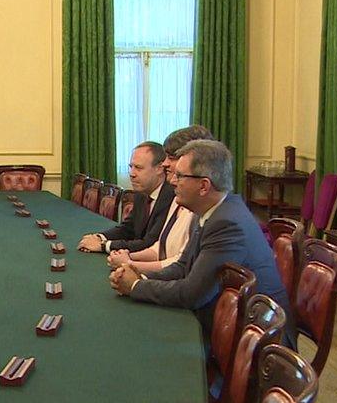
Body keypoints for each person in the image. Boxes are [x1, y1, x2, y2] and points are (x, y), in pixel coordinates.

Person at [109, 140, 295, 349]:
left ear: (204, 186)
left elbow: (192, 294)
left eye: (180, 176)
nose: (172, 182)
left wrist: (136, 286)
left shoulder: (227, 223)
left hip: (259, 345)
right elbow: (182, 266)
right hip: (231, 324)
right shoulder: (211, 211)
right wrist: (136, 274)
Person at [107, 125, 214, 273]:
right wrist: (128, 258)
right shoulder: (178, 196)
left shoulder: (209, 213)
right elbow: (160, 248)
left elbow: (182, 267)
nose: (165, 164)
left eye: (171, 158)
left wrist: (132, 269)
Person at [78, 141, 174, 254]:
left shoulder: (171, 197)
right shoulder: (142, 192)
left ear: (159, 168)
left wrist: (105, 246)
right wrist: (100, 237)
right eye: (131, 167)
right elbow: (128, 228)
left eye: (138, 168)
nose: (132, 174)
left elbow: (150, 243)